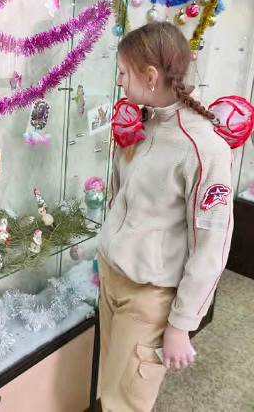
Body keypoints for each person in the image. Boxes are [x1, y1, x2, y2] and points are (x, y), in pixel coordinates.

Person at [100, 21, 246, 411]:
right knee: (109, 387)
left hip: (149, 296)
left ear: (150, 76)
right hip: (113, 279)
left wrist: (182, 323)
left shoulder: (203, 148)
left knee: (125, 401)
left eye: (123, 73)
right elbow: (118, 196)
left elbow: (212, 245)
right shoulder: (143, 122)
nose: (118, 81)